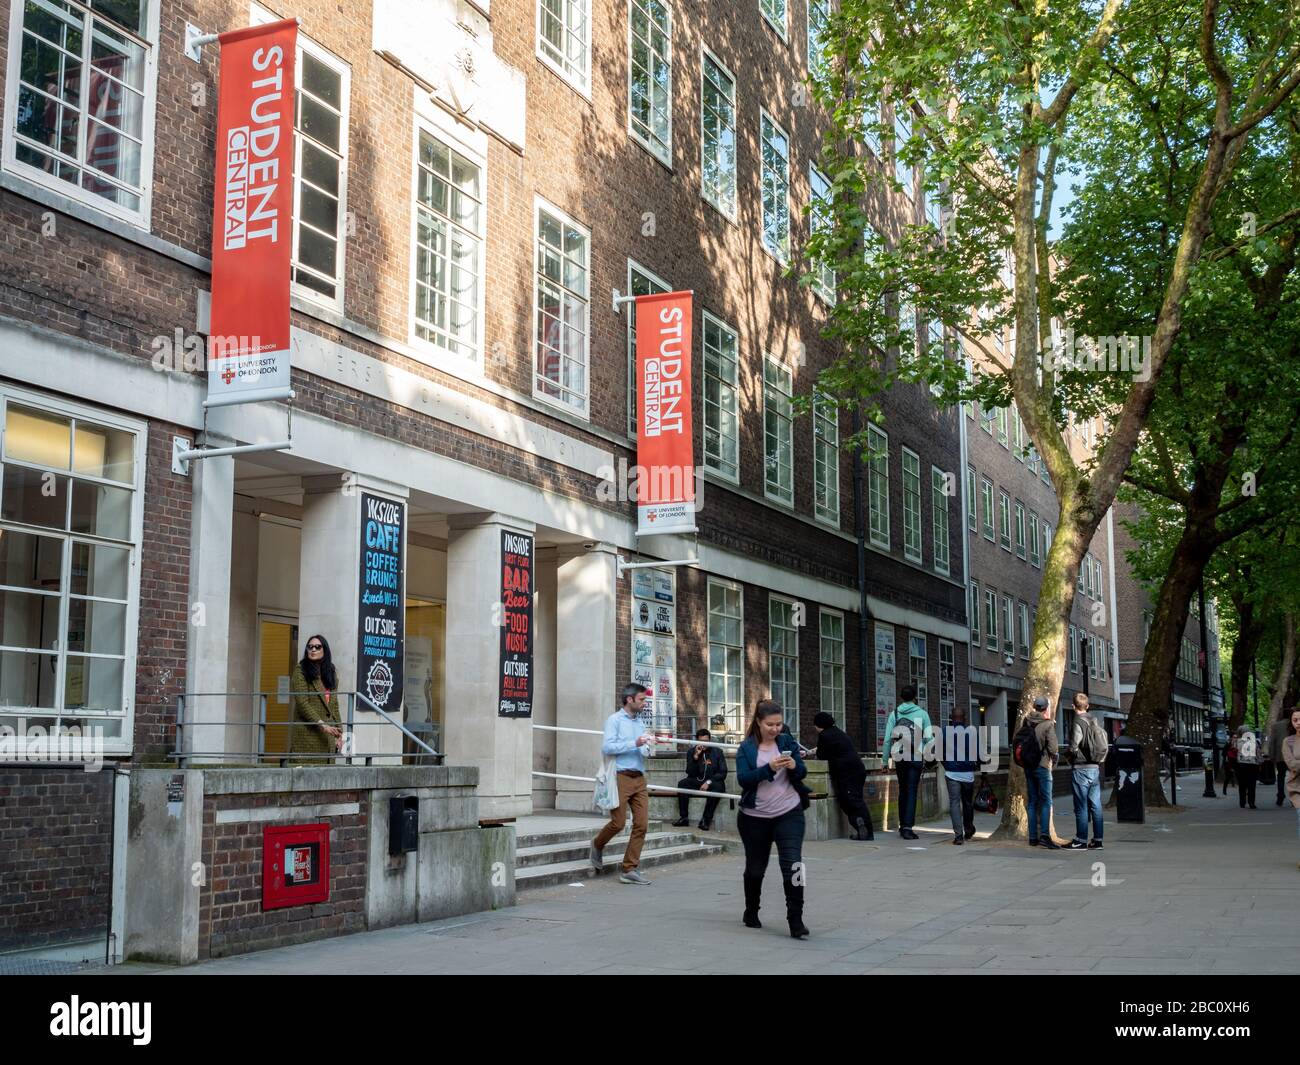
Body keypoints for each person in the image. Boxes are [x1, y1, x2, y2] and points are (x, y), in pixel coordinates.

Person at [735, 699, 811, 938]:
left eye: (779, 724)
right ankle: (751, 910)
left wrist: (792, 766)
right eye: (770, 724)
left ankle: (796, 919)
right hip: (754, 818)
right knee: (755, 870)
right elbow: (744, 780)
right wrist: (768, 768)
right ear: (758, 722)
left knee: (795, 865)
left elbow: (802, 771)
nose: (776, 729)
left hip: (790, 812)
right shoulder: (746, 748)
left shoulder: (787, 741)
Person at [590, 683, 655, 885]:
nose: (644, 703)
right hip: (620, 777)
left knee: (642, 824)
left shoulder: (640, 722)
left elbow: (643, 750)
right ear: (630, 699)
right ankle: (597, 843)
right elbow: (608, 747)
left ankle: (629, 869)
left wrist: (648, 746)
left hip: (639, 777)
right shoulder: (614, 720)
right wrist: (634, 743)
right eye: (642, 699)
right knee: (618, 823)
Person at [812, 712, 874, 841]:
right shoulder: (838, 732)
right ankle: (862, 827)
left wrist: (816, 751)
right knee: (855, 800)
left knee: (851, 801)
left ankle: (864, 830)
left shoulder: (824, 735)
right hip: (856, 769)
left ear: (819, 725)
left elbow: (822, 755)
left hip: (847, 772)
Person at [882, 686, 933, 840]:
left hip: (899, 757)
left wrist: (885, 762)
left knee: (903, 790)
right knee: (911, 790)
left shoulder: (895, 714)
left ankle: (902, 823)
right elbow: (929, 738)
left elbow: (887, 740)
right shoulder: (923, 714)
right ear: (915, 697)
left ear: (902, 698)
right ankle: (907, 827)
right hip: (915, 757)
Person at [289, 635, 343, 761]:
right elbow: (302, 703)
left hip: (328, 735)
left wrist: (340, 734)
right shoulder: (300, 670)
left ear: (325, 650)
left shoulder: (331, 672)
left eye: (317, 647)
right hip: (308, 733)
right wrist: (323, 725)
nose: (313, 650)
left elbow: (334, 706)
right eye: (310, 647)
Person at [1066, 692, 1107, 850]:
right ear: (1087, 706)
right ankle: (1098, 840)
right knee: (1096, 805)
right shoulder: (1094, 720)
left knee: (1081, 806)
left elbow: (1074, 745)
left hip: (1081, 769)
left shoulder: (1078, 721)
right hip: (1095, 768)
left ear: (1073, 706)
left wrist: (1069, 755)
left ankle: (1080, 840)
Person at [1018, 695, 1060, 849]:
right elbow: (1054, 748)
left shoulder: (1026, 721)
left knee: (1032, 801)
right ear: (1046, 708)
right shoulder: (1047, 724)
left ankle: (1033, 837)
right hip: (1042, 766)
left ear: (1035, 706)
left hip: (1028, 766)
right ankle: (1045, 836)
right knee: (1046, 801)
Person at [672, 728, 727, 830]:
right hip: (697, 780)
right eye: (701, 741)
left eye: (706, 741)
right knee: (682, 784)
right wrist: (696, 756)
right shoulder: (691, 752)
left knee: (718, 788)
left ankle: (705, 820)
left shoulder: (717, 752)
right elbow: (689, 772)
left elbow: (723, 772)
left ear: (709, 740)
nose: (704, 744)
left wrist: (709, 782)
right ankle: (684, 818)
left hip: (712, 782)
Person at [940, 706, 978, 845]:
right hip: (968, 774)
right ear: (965, 718)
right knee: (968, 803)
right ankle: (968, 829)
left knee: (954, 803)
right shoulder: (972, 732)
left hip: (952, 773)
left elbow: (938, 752)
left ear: (951, 718)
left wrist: (947, 765)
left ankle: (958, 836)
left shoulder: (944, 732)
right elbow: (978, 753)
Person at [1283, 709, 1300, 869]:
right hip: (1297, 788)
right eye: (1295, 720)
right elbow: (1291, 764)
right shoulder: (1288, 741)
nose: (1298, 723)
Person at [1235, 724, 1260, 810]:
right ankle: (1251, 803)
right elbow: (1258, 753)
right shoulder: (1254, 742)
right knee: (1251, 785)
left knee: (1242, 784)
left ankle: (1242, 802)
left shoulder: (1236, 742)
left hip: (1241, 765)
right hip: (1252, 765)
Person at [1271, 712, 1292, 806]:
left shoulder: (1276, 726)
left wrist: (1272, 755)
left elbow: (1273, 742)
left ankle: (1280, 796)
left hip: (1280, 754)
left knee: (1280, 776)